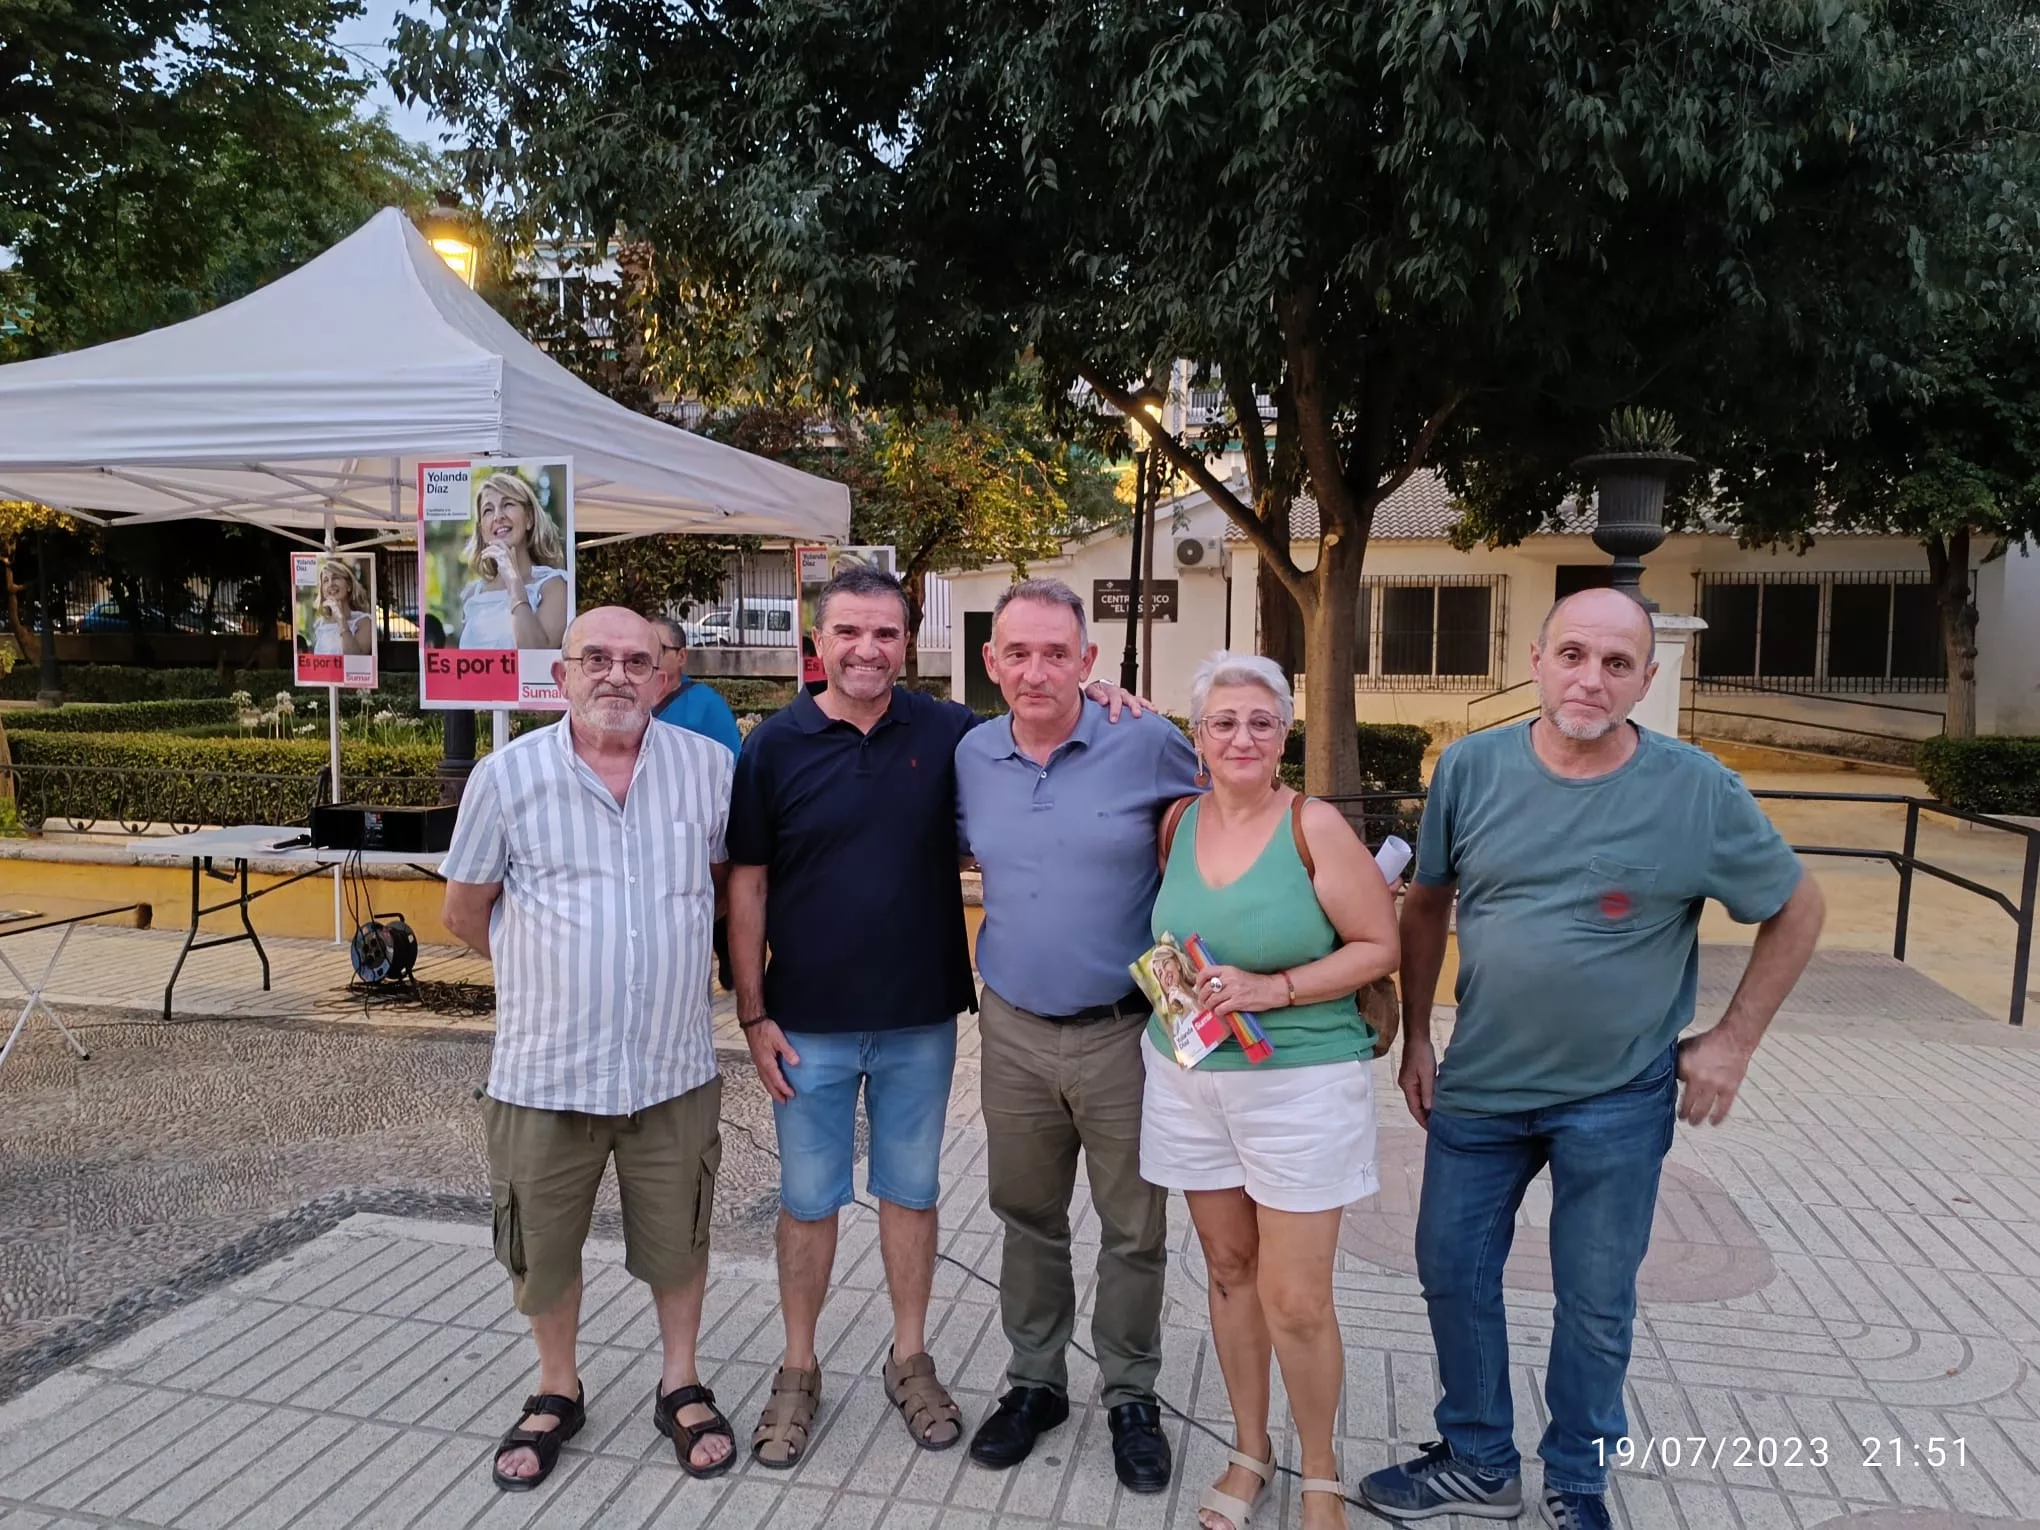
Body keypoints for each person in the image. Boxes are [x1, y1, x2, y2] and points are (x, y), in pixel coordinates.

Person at [1358, 588, 1824, 1530]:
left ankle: (1577, 1479)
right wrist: (1415, 1033)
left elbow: (1797, 907)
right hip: (1479, 1088)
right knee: (1449, 1270)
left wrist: (1733, 1042)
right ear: (1535, 659)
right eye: (1573, 654)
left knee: (1597, 1299)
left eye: (1617, 664)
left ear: (1646, 681)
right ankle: (1480, 1460)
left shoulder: (1697, 790)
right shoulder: (1471, 769)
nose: (1591, 678)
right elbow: (1427, 899)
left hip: (1618, 1097)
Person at [729, 564, 1146, 1469]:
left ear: (907, 642)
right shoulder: (774, 745)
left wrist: (1106, 695)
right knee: (807, 1204)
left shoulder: (954, 736)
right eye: (848, 632)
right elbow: (747, 883)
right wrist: (751, 1010)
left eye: (885, 633)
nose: (867, 649)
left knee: (912, 1195)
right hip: (804, 1023)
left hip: (923, 1017)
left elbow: (1043, 734)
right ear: (819, 640)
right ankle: (798, 1369)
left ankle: (909, 1359)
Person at [441, 605, 739, 1492]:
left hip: (671, 1066)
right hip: (544, 1069)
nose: (616, 674)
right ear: (562, 673)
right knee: (543, 1242)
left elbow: (723, 890)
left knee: (679, 1236)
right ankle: (556, 1387)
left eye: (635, 660)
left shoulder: (710, 770)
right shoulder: (506, 776)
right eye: (595, 658)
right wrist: (554, 973)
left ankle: (679, 1381)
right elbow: (463, 913)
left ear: (663, 674)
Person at [954, 577, 1202, 1494]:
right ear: (990, 662)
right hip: (1012, 1028)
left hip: (1124, 1036)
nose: (1036, 669)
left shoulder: (1146, 741)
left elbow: (1230, 823)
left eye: (1058, 653)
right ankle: (1035, 1382)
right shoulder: (971, 754)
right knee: (1027, 1217)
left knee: (1134, 1227)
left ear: (1089, 662)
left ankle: (1132, 1393)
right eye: (1016, 652)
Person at [1143, 651, 1399, 1530]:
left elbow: (1378, 946)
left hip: (1300, 1082)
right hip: (1189, 1076)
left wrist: (1275, 988)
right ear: (1197, 736)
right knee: (1227, 1269)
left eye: (1260, 721)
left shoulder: (1314, 826)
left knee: (1296, 1296)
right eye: (1224, 722)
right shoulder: (1178, 822)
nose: (1242, 736)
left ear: (1282, 733)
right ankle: (1251, 1449)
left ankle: (1321, 1468)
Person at [456, 471, 569, 650]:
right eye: (488, 510)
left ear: (529, 519)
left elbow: (535, 655)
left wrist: (514, 582)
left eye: (507, 504)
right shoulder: (473, 594)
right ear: (482, 530)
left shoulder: (554, 586)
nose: (498, 516)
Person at [651, 616, 744, 759]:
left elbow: (731, 765)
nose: (648, 656)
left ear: (681, 656)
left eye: (659, 648)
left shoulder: (708, 706)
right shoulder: (629, 701)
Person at [309, 557, 373, 656]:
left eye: (335, 578)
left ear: (349, 586)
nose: (330, 584)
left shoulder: (364, 621)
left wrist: (341, 620)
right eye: (325, 580)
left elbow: (356, 659)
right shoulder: (320, 624)